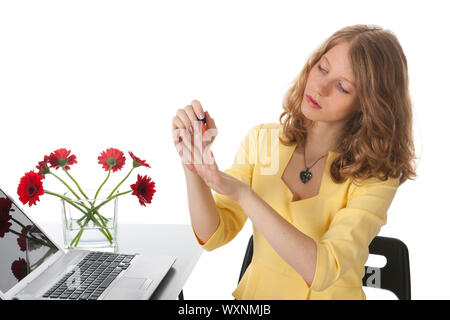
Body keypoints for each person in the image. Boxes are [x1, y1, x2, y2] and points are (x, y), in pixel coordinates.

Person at [171, 24, 417, 300]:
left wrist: (241, 192)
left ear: (368, 104)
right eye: (322, 68)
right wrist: (192, 163)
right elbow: (214, 235)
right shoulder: (263, 141)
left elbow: (323, 269)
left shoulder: (376, 176)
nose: (320, 87)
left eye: (342, 87)